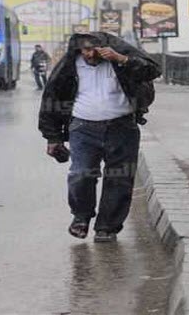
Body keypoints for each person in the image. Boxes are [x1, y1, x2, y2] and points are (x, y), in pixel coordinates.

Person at [38, 32, 161, 242]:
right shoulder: (69, 67)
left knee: (119, 178)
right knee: (81, 174)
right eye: (85, 50)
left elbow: (153, 70)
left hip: (122, 127)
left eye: (95, 49)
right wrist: (53, 138)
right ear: (78, 50)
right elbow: (51, 97)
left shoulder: (119, 61)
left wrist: (121, 59)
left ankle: (107, 227)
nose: (90, 54)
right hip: (83, 128)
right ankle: (81, 217)